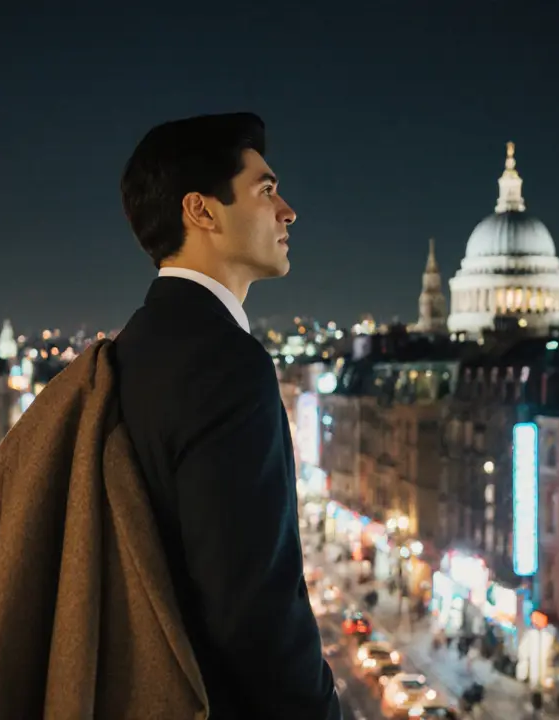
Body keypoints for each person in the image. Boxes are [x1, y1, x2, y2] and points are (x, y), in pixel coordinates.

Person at [115, 112, 340, 719]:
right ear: (203, 211)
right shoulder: (226, 364)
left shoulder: (136, 345)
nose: (287, 210)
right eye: (266, 190)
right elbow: (254, 610)